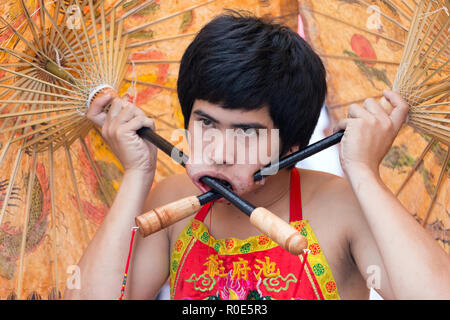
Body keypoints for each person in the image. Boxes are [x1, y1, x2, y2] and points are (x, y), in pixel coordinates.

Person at [64, 11, 450, 300]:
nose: (219, 152)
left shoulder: (342, 208)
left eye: (247, 132)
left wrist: (364, 172)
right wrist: (137, 174)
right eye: (206, 123)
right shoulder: (168, 203)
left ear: (294, 146)